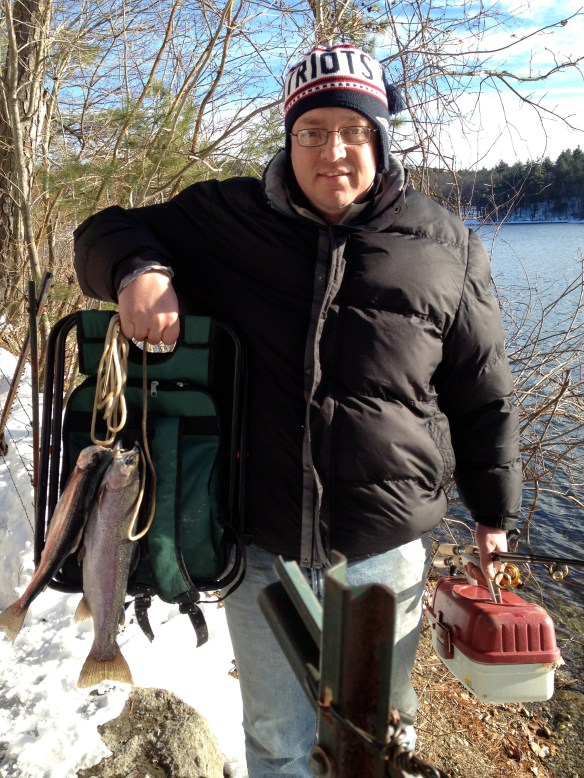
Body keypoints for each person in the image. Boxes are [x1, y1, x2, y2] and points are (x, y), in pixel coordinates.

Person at [74, 42, 522, 777]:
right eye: (311, 132)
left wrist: (494, 513)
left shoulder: (445, 246)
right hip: (265, 549)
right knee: (279, 738)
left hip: (386, 553)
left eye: (352, 130)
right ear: (288, 140)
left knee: (372, 734)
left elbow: (483, 393)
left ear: (379, 138)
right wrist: (140, 269)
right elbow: (103, 231)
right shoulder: (227, 220)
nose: (332, 152)